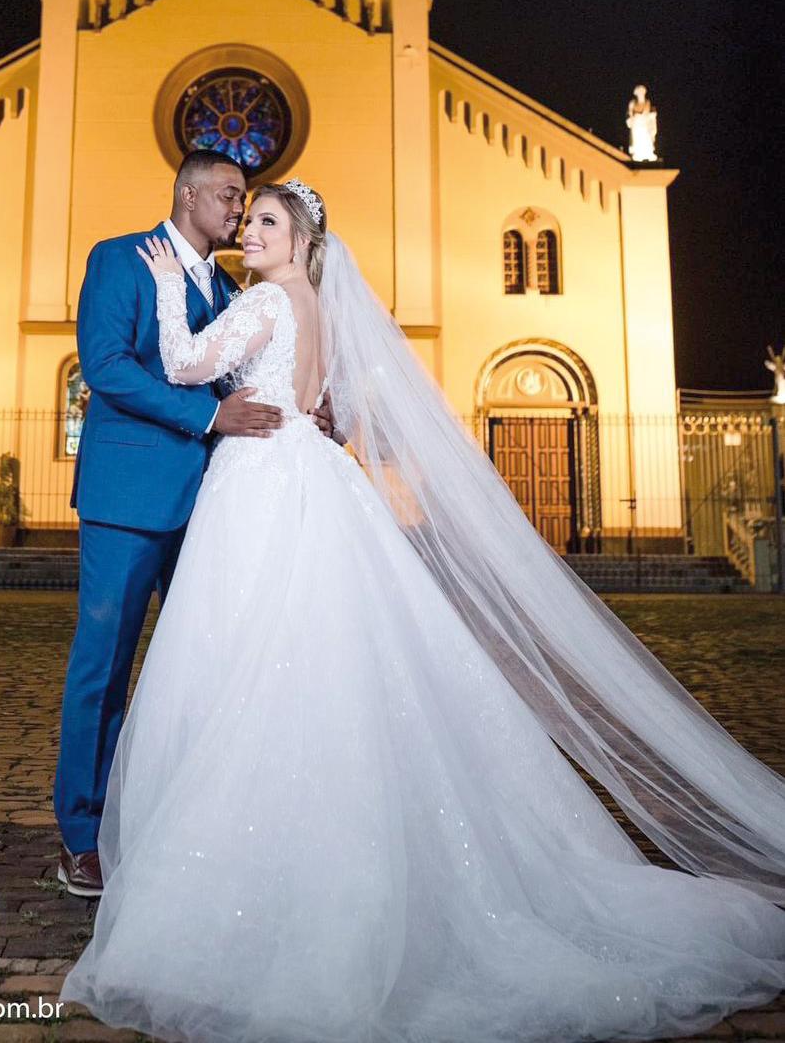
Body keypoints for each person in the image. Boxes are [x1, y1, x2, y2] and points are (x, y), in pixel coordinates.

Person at [58, 178, 785, 1042]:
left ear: (295, 238)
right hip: (301, 481)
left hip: (255, 484)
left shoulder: (250, 297)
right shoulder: (309, 301)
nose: (244, 224)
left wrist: (176, 294)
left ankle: (254, 859)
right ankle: (213, 842)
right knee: (302, 660)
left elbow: (181, 363)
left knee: (245, 663)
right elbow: (294, 394)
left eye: (261, 217)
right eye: (238, 211)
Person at [54, 151, 333, 898]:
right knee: (104, 665)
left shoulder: (233, 286)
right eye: (228, 195)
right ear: (185, 192)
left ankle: (175, 823)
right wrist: (210, 414)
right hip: (130, 497)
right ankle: (81, 836)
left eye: (247, 202)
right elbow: (105, 365)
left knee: (207, 666)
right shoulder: (120, 259)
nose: (238, 210)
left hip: (219, 505)